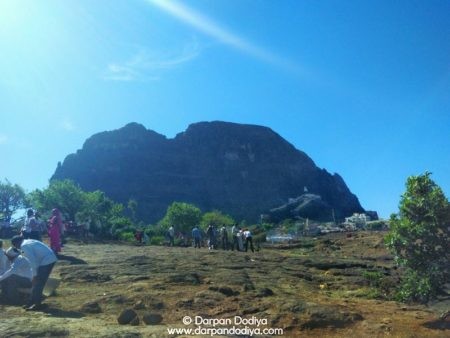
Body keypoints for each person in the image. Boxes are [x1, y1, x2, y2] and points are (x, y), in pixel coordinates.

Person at [11, 236, 57, 311]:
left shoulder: (24, 246)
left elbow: (32, 262)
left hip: (46, 261)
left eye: (16, 246)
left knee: (38, 283)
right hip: (48, 259)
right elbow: (27, 257)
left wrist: (34, 275)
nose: (17, 248)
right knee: (37, 283)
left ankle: (37, 304)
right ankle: (32, 302)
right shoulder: (28, 241)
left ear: (16, 243)